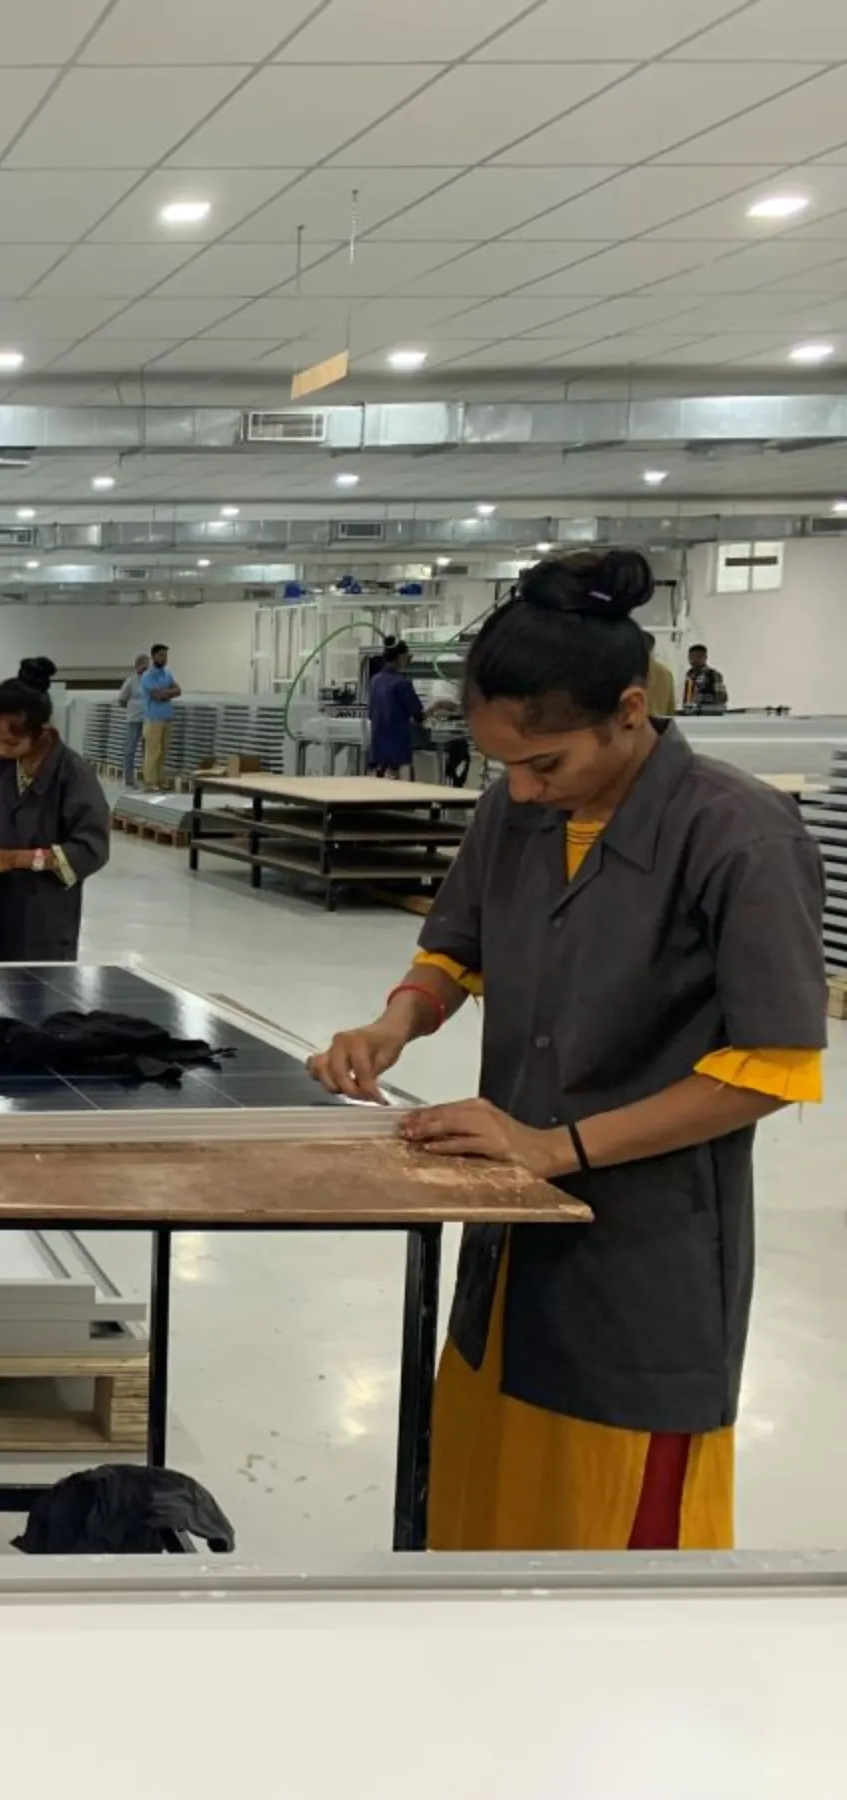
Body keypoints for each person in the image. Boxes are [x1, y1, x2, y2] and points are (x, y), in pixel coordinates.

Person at [307, 548, 824, 1553]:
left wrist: (556, 1147)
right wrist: (393, 1023)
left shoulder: (738, 834)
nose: (528, 790)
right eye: (507, 766)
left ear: (631, 710)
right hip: (509, 1238)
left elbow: (769, 1067)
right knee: (483, 1520)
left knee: (610, 1561)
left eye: (548, 764)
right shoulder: (516, 809)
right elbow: (454, 948)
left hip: (644, 1261)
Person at [0, 677, 110, 962]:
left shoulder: (73, 774)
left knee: (36, 992)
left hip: (46, 911)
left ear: (44, 733)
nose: (2, 750)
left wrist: (14, 858)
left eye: (11, 742)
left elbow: (90, 850)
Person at [365, 640, 425, 779]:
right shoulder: (402, 684)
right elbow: (418, 717)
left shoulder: (375, 681)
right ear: (401, 657)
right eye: (407, 656)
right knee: (400, 795)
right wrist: (438, 706)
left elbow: (371, 714)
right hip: (397, 755)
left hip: (377, 753)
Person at [138, 645, 181, 788]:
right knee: (153, 752)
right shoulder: (148, 675)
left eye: (166, 655)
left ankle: (159, 780)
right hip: (153, 719)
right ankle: (150, 782)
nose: (164, 658)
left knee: (163, 752)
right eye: (161, 655)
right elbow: (156, 696)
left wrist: (165, 693)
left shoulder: (167, 673)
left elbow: (178, 690)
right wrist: (169, 692)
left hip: (167, 718)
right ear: (154, 656)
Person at [116, 653, 151, 785]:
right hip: (134, 720)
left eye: (147, 666)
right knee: (130, 749)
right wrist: (132, 709)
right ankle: (129, 778)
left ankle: (148, 778)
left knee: (147, 750)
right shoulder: (131, 681)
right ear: (137, 666)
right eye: (142, 666)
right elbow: (121, 700)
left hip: (149, 719)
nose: (145, 669)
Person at [683, 644, 729, 714]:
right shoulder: (689, 674)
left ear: (705, 658)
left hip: (708, 716)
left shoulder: (714, 675)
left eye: (699, 657)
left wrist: (700, 701)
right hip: (691, 715)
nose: (694, 660)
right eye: (692, 657)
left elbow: (721, 699)